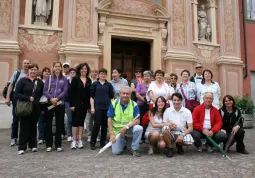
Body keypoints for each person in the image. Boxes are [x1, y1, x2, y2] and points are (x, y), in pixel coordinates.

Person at [15, 63, 44, 155]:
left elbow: (41, 95)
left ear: (36, 71)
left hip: (36, 107)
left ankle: (33, 145)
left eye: (35, 70)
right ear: (28, 70)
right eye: (31, 69)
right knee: (24, 127)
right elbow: (17, 94)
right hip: (25, 107)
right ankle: (22, 147)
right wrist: (27, 98)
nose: (33, 71)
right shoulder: (22, 81)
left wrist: (42, 107)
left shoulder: (39, 82)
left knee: (33, 126)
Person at [108, 86, 143, 157]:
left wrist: (126, 127)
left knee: (139, 128)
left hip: (128, 129)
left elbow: (137, 121)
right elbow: (109, 119)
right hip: (117, 131)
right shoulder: (114, 103)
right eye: (123, 93)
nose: (125, 95)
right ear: (120, 94)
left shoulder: (134, 104)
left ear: (130, 95)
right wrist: (111, 134)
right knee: (116, 152)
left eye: (127, 94)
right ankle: (123, 142)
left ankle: (134, 148)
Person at [43, 61, 68, 152]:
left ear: (61, 68)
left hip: (60, 103)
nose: (57, 68)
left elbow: (65, 91)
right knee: (48, 123)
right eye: (56, 66)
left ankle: (58, 144)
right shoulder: (49, 78)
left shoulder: (64, 79)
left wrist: (57, 98)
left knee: (59, 123)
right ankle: (48, 144)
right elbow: (45, 90)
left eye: (59, 66)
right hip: (50, 103)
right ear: (53, 68)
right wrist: (51, 98)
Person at [5, 59, 30, 146]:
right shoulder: (17, 73)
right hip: (17, 98)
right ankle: (14, 138)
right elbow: (11, 85)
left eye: (27, 63)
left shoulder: (30, 74)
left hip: (26, 98)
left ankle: (24, 138)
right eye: (25, 63)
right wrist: (8, 97)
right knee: (15, 118)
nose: (26, 65)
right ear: (22, 64)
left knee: (26, 119)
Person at [90, 68, 114, 150]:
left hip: (107, 107)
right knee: (96, 125)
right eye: (101, 73)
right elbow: (91, 97)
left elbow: (111, 97)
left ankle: (102, 142)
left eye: (104, 74)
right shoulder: (95, 84)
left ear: (106, 75)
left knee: (104, 125)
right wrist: (92, 107)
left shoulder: (109, 85)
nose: (103, 75)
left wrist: (111, 108)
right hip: (97, 107)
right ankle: (92, 142)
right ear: (99, 75)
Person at [162, 93, 193, 157]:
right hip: (171, 132)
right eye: (174, 100)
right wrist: (169, 127)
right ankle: (170, 148)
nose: (176, 102)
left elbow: (190, 128)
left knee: (189, 142)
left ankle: (179, 145)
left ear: (181, 101)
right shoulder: (167, 111)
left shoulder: (187, 111)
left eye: (178, 100)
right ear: (172, 101)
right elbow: (163, 124)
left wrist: (182, 135)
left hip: (182, 132)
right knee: (165, 128)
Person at [69, 63, 91, 149]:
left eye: (85, 69)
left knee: (81, 122)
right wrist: (71, 104)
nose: (84, 70)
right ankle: (74, 141)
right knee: (75, 122)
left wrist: (89, 106)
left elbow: (89, 94)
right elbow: (71, 92)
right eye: (82, 69)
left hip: (84, 105)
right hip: (76, 104)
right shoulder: (75, 79)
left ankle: (80, 140)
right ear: (79, 70)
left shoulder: (89, 80)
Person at [38, 67, 51, 144]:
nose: (46, 73)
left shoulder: (51, 82)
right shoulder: (39, 81)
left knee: (48, 121)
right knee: (41, 120)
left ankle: (46, 137)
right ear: (42, 73)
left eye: (48, 71)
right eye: (45, 71)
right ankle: (41, 137)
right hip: (41, 103)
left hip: (49, 103)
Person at [86, 68, 98, 142]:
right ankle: (89, 135)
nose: (94, 73)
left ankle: (96, 135)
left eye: (95, 72)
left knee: (97, 121)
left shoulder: (99, 82)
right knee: (89, 120)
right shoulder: (88, 82)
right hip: (89, 104)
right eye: (93, 72)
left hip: (97, 104)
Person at [65, 68, 76, 142]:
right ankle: (69, 135)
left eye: (73, 72)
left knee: (76, 119)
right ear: (69, 73)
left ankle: (75, 134)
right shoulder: (66, 82)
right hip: (68, 102)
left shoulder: (77, 81)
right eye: (71, 72)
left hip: (76, 103)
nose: (72, 73)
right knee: (69, 119)